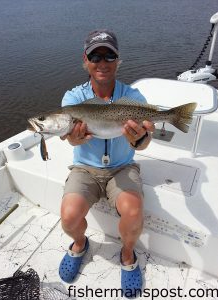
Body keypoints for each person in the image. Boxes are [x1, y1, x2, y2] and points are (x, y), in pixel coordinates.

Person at [59, 29, 154, 297]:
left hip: (122, 167)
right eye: (95, 56)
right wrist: (75, 139)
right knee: (68, 217)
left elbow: (144, 143)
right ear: (85, 60)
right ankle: (80, 244)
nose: (102, 62)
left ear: (118, 60)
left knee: (133, 213)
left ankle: (126, 255)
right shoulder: (73, 99)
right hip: (85, 169)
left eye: (109, 55)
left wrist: (140, 138)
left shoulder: (133, 97)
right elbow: (72, 141)